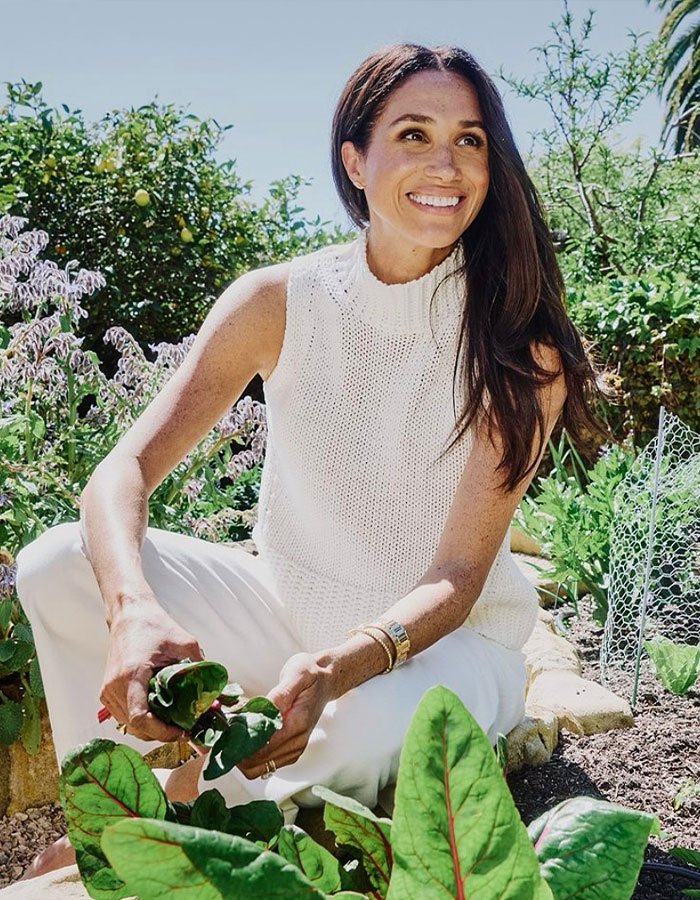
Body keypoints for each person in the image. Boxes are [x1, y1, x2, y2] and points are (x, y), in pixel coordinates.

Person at [14, 41, 612, 880]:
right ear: (354, 160)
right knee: (55, 562)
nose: (447, 163)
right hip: (287, 611)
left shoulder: (519, 341)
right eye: (412, 134)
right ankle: (109, 791)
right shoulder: (278, 301)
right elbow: (120, 473)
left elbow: (459, 575)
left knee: (365, 728)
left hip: (443, 652)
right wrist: (132, 610)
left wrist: (341, 667)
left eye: (471, 140)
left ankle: (144, 829)